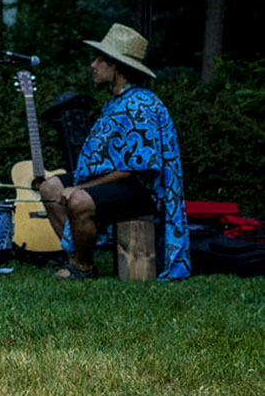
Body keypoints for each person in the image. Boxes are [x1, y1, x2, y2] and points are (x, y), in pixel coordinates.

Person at [37, 23, 190, 280]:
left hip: (140, 191)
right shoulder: (115, 102)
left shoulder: (141, 105)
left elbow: (130, 170)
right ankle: (76, 261)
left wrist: (80, 188)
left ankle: (84, 268)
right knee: (49, 187)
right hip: (115, 181)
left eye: (100, 59)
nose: (93, 65)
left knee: (78, 199)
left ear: (117, 67)